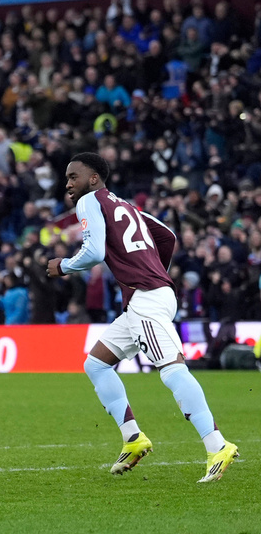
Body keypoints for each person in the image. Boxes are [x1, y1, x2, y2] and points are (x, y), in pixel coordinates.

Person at [47, 152, 238, 483]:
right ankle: (133, 437)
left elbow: (92, 252)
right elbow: (167, 237)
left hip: (146, 298)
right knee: (96, 364)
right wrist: (152, 272)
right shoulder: (125, 205)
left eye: (73, 176)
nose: (68, 184)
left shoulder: (89, 201)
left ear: (93, 179)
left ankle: (217, 445)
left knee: (172, 370)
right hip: (150, 295)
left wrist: (62, 266)